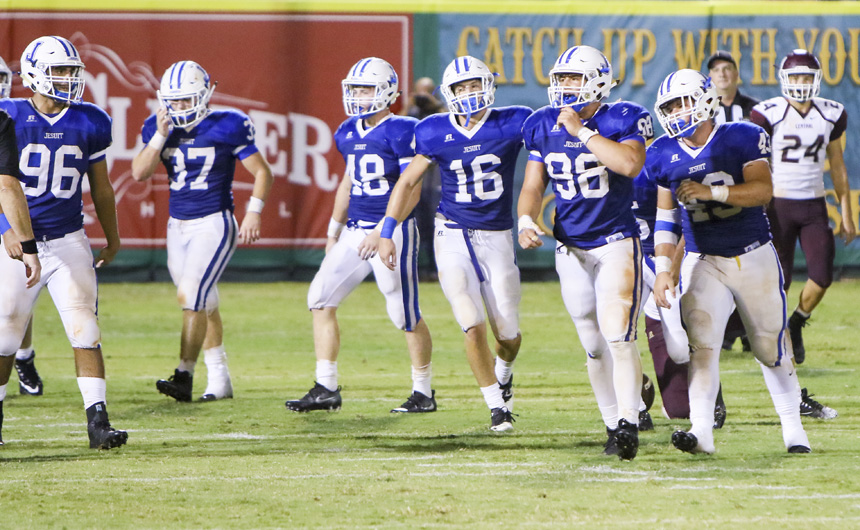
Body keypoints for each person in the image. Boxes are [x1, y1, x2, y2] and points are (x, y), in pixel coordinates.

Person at [648, 68, 810, 454]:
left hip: (752, 254)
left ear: (705, 100)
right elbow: (666, 219)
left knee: (769, 347)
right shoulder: (662, 152)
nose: (675, 112)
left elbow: (762, 191)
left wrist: (711, 192)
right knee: (702, 345)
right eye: (669, 107)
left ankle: (794, 430)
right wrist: (663, 270)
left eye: (681, 103)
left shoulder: (741, 135)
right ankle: (701, 432)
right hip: (704, 258)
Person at [377, 56, 530, 432]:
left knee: (508, 335)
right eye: (462, 87)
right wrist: (387, 230)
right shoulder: (433, 130)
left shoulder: (514, 121)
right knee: (470, 321)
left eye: (475, 84)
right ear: (449, 92)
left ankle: (504, 372)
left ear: (490, 86)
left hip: (497, 237)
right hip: (452, 233)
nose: (469, 93)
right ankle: (497, 408)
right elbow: (407, 181)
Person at [518, 46, 650, 460]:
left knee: (619, 335)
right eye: (561, 78)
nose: (565, 86)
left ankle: (629, 422)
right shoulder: (542, 123)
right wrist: (525, 219)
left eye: (574, 78)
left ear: (597, 81)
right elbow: (534, 184)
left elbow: (629, 164)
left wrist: (582, 133)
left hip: (615, 242)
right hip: (570, 247)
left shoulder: (622, 116)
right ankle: (612, 425)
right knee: (592, 344)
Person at [285, 58, 434, 413]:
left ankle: (423, 392)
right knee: (320, 298)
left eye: (366, 89)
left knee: (403, 313)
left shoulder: (403, 130)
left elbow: (411, 188)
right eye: (355, 89)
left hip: (394, 229)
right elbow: (348, 183)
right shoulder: (347, 131)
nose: (358, 96)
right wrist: (333, 231)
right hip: (355, 231)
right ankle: (326, 387)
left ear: (386, 92)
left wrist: (383, 230)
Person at [0, 35, 126, 449]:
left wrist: (112, 236)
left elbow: (101, 187)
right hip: (18, 243)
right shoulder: (9, 114)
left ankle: (98, 422)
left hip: (69, 238)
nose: (69, 78)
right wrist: (5, 229)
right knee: (5, 335)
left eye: (72, 70)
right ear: (34, 73)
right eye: (60, 70)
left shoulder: (90, 119)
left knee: (85, 327)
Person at [132, 60, 273, 402]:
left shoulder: (229, 123)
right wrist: (161, 135)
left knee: (191, 295)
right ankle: (220, 380)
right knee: (203, 302)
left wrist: (254, 213)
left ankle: (184, 375)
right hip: (177, 225)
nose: (180, 106)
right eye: (174, 100)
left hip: (213, 222)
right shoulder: (157, 126)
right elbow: (139, 173)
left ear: (205, 95)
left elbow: (262, 172)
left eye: (186, 99)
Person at [750, 49, 855, 367]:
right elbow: (754, 163)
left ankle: (797, 320)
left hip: (813, 203)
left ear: (817, 79)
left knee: (822, 276)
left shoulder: (831, 113)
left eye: (806, 77)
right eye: (795, 76)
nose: (800, 82)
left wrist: (847, 212)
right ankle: (777, 339)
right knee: (779, 281)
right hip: (778, 205)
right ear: (784, 79)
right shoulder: (767, 113)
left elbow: (837, 165)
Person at [707, 50, 761, 353]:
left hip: (748, 196)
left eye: (727, 68)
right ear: (710, 77)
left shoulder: (755, 109)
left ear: (736, 73)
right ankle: (727, 328)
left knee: (751, 264)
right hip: (712, 199)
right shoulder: (703, 109)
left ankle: (749, 327)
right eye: (717, 70)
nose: (723, 74)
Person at [0, 54, 44, 396]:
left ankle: (24, 356)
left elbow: (6, 185)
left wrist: (7, 226)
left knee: (15, 300)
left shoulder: (8, 117)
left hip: (12, 216)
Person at [404, 77, 444, 281]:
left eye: (428, 91)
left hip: (436, 177)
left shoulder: (440, 113)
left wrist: (435, 105)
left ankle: (439, 268)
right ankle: (420, 268)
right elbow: (399, 129)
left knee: (437, 223)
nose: (423, 97)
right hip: (416, 177)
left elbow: (452, 121)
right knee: (419, 225)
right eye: (420, 91)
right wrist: (409, 104)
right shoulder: (410, 114)